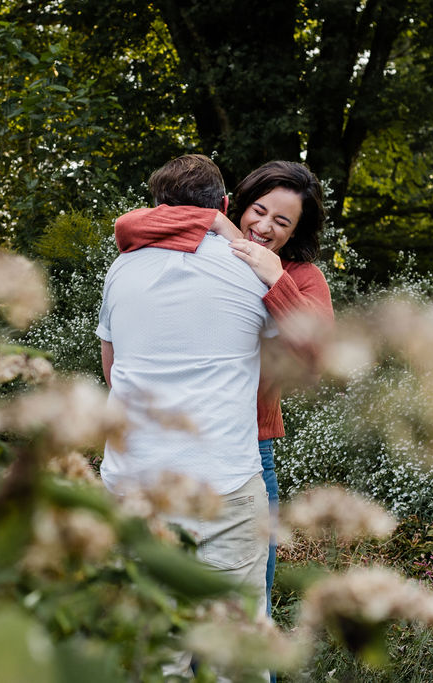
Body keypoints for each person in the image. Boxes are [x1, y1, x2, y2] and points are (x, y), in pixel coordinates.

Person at [113, 160, 335, 625]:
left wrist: (276, 279)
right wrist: (213, 221)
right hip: (176, 450)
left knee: (250, 605)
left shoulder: (301, 276)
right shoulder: (211, 245)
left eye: (282, 221)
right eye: (258, 210)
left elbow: (320, 351)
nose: (263, 227)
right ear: (237, 205)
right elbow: (130, 224)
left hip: (249, 447)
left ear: (295, 232)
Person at [97, 154, 275, 621]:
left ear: (156, 207)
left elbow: (113, 372)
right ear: (225, 204)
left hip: (135, 487)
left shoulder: (120, 271)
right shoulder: (251, 270)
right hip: (225, 485)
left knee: (151, 655)